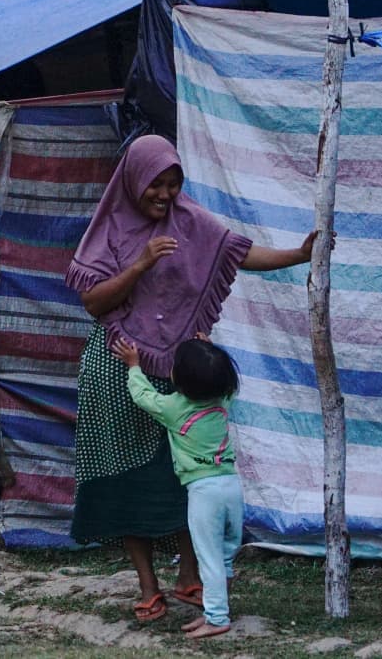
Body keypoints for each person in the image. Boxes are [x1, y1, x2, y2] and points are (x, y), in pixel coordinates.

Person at [65, 134, 319, 624]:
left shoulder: (189, 220)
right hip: (119, 364)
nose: (164, 194)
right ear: (133, 180)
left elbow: (237, 254)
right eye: (155, 185)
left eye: (173, 184)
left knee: (186, 474)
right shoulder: (110, 229)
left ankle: (189, 577)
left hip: (177, 370)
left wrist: (298, 255)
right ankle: (147, 586)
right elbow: (95, 304)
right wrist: (140, 264)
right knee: (122, 475)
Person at [114, 333, 242, 639]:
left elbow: (143, 396)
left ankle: (217, 617)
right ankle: (217, 610)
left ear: (180, 382)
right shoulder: (224, 399)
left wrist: (134, 366)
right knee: (223, 555)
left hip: (203, 492)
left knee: (208, 557)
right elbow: (219, 377)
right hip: (232, 487)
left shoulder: (174, 408)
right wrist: (208, 348)